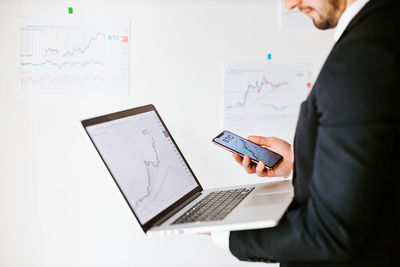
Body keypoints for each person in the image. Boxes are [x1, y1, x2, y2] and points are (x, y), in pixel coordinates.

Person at [210, 0, 399, 266]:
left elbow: (329, 234)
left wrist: (225, 233)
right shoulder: (386, 27)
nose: (291, 5)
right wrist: (302, 161)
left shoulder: (361, 55)